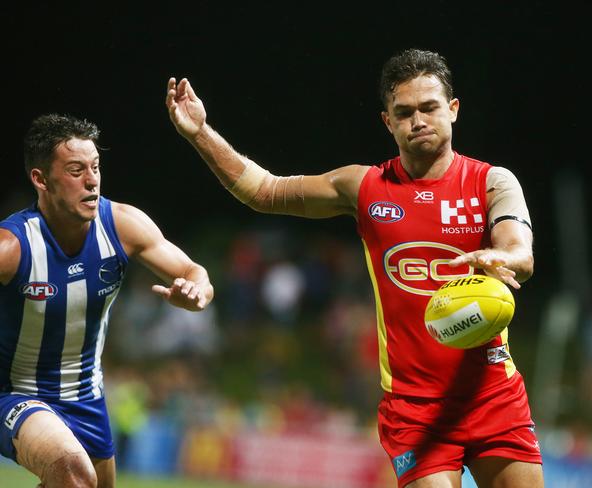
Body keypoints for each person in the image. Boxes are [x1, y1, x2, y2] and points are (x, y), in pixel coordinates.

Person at [166, 48, 542, 487]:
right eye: (404, 112)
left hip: (493, 394)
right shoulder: (363, 187)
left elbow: (522, 253)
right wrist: (200, 134)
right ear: (388, 121)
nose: (418, 120)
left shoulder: (491, 181)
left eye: (429, 107)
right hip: (414, 407)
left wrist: (503, 257)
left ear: (453, 110)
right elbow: (263, 190)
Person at [0, 114, 214, 488]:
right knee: (73, 472)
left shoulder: (122, 225)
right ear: (41, 179)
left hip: (86, 397)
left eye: (95, 167)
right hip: (14, 394)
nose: (92, 180)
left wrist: (195, 296)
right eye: (75, 170)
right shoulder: (12, 247)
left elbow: (195, 273)